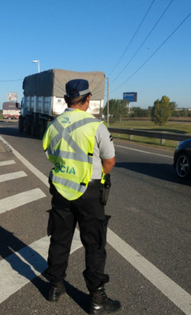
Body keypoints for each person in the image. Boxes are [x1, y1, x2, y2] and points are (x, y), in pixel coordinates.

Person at [42, 79, 120, 314]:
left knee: (59, 239)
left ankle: (55, 287)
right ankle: (97, 298)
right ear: (87, 99)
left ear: (66, 99)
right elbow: (110, 161)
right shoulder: (96, 126)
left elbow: (51, 157)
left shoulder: (53, 125)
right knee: (94, 245)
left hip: (61, 191)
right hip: (89, 193)